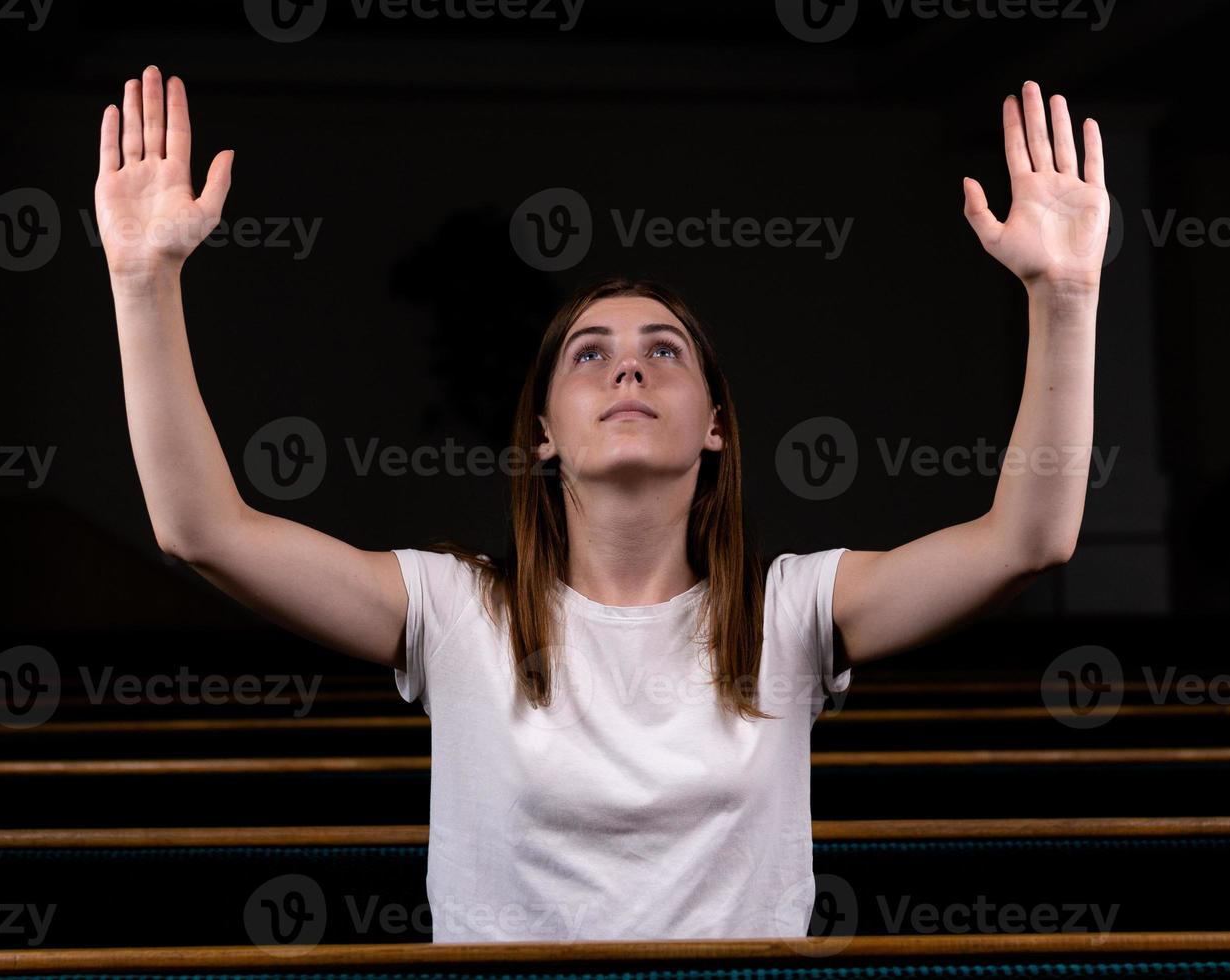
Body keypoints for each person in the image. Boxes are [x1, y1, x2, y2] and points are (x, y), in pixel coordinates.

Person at [93, 67, 1108, 943]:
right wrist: (144, 282)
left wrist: (1064, 299)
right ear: (542, 428)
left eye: (664, 351)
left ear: (714, 422)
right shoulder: (454, 610)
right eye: (592, 354)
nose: (630, 369)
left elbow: (1030, 538)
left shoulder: (791, 611)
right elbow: (201, 528)